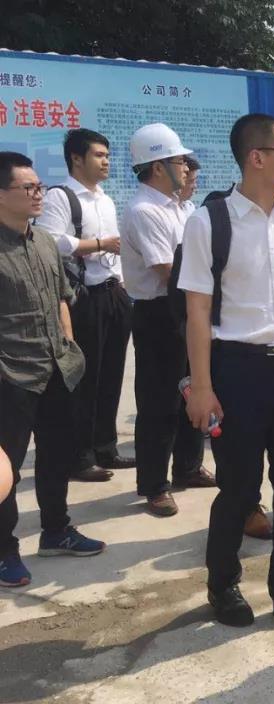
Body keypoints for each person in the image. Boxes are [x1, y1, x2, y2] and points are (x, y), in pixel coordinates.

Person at [180, 113, 274, 638]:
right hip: (237, 370)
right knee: (240, 487)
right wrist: (202, 387)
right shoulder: (210, 222)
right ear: (257, 158)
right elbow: (198, 311)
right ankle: (223, 584)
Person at [0, 151, 106, 589]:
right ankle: (4, 550)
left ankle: (56, 530)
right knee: (6, 469)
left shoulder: (44, 240)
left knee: (57, 455)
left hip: (57, 368)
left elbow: (62, 296)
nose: (38, 194)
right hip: (10, 375)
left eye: (39, 186)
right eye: (28, 187)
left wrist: (69, 346)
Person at [121, 123, 216, 517]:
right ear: (158, 167)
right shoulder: (144, 211)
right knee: (159, 400)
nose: (186, 167)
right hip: (159, 313)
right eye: (179, 161)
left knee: (194, 389)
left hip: (188, 307)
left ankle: (188, 467)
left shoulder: (183, 208)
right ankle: (154, 485)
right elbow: (166, 271)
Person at [36, 128, 131, 483]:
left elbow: (115, 250)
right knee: (84, 378)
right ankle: (80, 456)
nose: (106, 162)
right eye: (98, 155)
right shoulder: (60, 196)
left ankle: (106, 447)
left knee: (111, 374)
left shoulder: (105, 200)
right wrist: (99, 244)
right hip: (84, 297)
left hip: (113, 293)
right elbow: (51, 240)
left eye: (107, 155)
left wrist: (121, 283)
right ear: (76, 159)